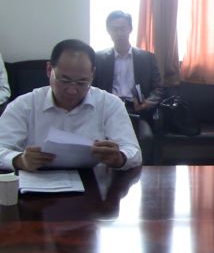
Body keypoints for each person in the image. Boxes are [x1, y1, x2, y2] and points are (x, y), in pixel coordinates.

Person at [0, 39, 142, 171]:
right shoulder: (24, 105)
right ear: (49, 70)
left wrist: (119, 158)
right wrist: (19, 160)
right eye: (64, 80)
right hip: (37, 183)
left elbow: (133, 152)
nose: (72, 90)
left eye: (82, 82)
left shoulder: (109, 104)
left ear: (92, 74)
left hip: (94, 182)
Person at [94, 10, 163, 121]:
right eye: (114, 29)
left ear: (130, 29)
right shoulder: (99, 58)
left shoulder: (147, 58)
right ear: (108, 31)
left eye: (123, 29)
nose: (119, 33)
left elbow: (158, 89)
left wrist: (146, 104)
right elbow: (92, 88)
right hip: (108, 109)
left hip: (137, 109)